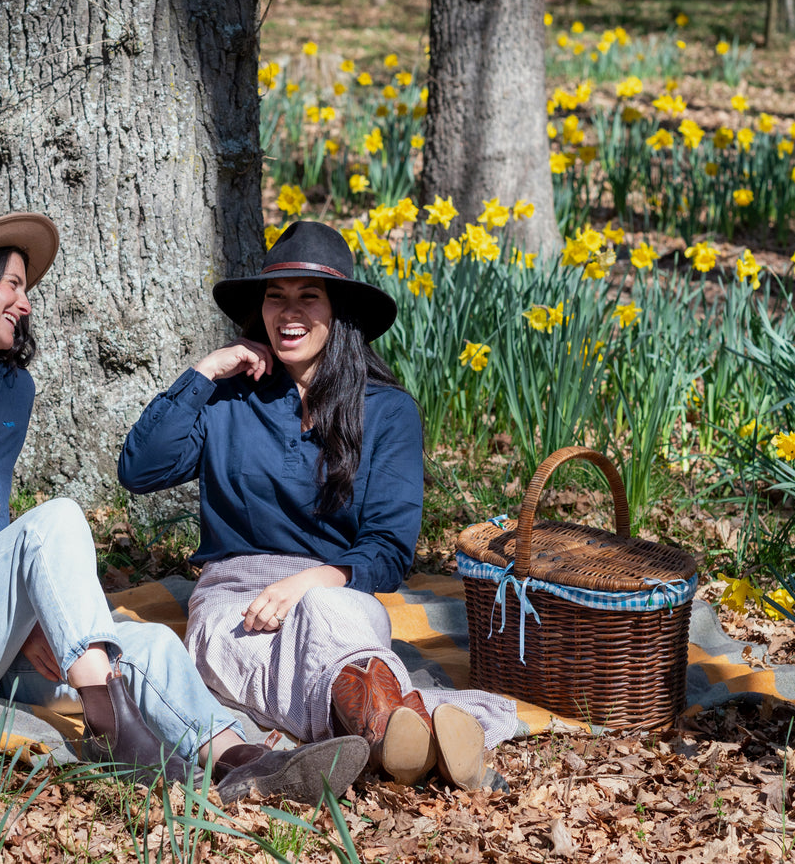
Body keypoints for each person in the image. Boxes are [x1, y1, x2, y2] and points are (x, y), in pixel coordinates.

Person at [0, 204, 368, 803]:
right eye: (12, 283)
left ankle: (241, 761)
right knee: (57, 519)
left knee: (153, 644)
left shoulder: (9, 389)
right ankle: (111, 722)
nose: (26, 303)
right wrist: (27, 616)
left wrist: (30, 619)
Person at [118, 221, 518, 790]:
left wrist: (311, 583)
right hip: (237, 604)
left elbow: (387, 549)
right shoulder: (228, 400)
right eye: (275, 297)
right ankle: (411, 734)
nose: (289, 312)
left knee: (333, 616)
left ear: (340, 314)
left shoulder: (387, 410)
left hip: (337, 593)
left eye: (310, 297)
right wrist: (206, 372)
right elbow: (140, 469)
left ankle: (384, 741)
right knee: (271, 655)